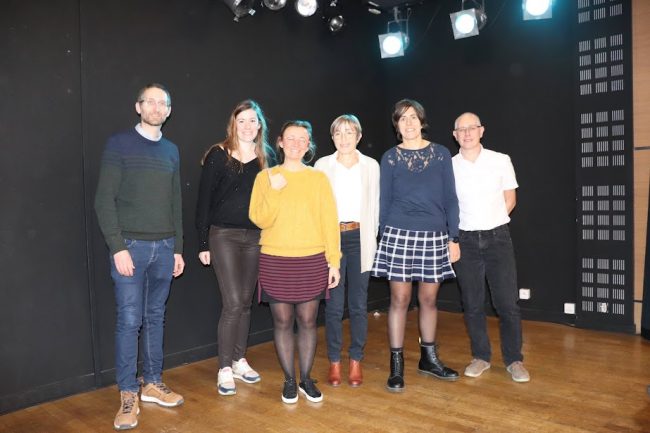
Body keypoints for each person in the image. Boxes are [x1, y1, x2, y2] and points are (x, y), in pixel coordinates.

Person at [94, 83, 185, 431]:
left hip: (165, 247)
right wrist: (117, 246)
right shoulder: (119, 144)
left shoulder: (171, 150)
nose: (156, 107)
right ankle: (128, 393)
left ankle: (152, 383)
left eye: (163, 103)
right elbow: (104, 199)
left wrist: (178, 248)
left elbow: (176, 202)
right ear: (138, 107)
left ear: (168, 111)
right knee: (130, 320)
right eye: (150, 102)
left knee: (156, 317)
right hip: (130, 246)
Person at [249, 120, 341, 404]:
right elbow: (259, 219)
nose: (296, 144)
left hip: (311, 259)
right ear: (280, 142)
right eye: (291, 138)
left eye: (302, 139)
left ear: (308, 145)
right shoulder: (265, 178)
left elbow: (329, 222)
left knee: (308, 320)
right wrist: (275, 190)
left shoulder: (318, 179)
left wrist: (334, 261)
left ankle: (306, 379)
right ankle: (289, 380)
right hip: (275, 259)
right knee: (282, 320)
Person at [372, 99, 461, 392]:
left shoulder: (441, 154)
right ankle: (396, 367)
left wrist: (453, 237)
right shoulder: (390, 158)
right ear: (396, 125)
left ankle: (429, 360)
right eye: (402, 118)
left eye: (413, 117)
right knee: (399, 300)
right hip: (397, 233)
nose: (408, 123)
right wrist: (383, 237)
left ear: (422, 121)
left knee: (429, 300)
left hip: (434, 235)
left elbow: (450, 198)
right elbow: (384, 200)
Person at [195, 100, 274, 396]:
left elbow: (269, 202)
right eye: (242, 121)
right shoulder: (219, 154)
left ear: (259, 125)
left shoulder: (266, 158)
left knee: (245, 301)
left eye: (253, 120)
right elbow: (203, 201)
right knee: (232, 303)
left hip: (255, 237)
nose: (247, 126)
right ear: (233, 124)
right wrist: (203, 242)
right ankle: (224, 368)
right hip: (223, 236)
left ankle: (240, 360)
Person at [451, 112, 530, 383]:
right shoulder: (448, 166)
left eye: (472, 127)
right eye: (461, 129)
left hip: (498, 238)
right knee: (472, 304)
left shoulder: (500, 160)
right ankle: (481, 357)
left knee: (507, 304)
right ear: (455, 135)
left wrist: (491, 222)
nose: (467, 133)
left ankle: (514, 360)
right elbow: (447, 206)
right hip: (465, 241)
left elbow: (511, 199)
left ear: (481, 130)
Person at [314, 114, 380, 387]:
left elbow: (375, 206)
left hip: (361, 238)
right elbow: (317, 207)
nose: (344, 138)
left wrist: (372, 239)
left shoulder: (371, 166)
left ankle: (355, 359)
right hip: (332, 241)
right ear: (332, 137)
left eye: (349, 132)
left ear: (359, 136)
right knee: (333, 305)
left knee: (358, 304)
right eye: (338, 133)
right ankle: (334, 361)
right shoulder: (322, 166)